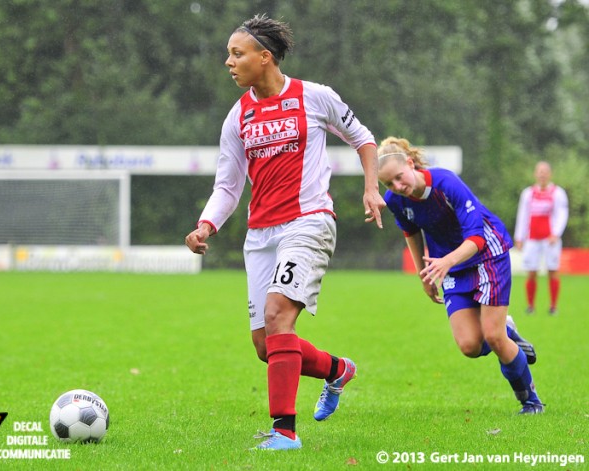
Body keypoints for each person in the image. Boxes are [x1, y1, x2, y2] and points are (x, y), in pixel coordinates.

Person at [184, 14, 385, 450]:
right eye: (229, 54)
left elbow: (364, 139)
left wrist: (372, 189)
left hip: (309, 222)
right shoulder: (237, 116)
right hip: (259, 236)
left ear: (265, 57)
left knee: (278, 317)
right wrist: (206, 224)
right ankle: (336, 370)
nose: (228, 62)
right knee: (266, 345)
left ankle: (284, 432)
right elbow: (228, 184)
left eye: (237, 54)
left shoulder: (315, 97)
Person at [377, 137, 544, 415]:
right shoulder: (395, 200)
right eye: (389, 184)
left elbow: (477, 238)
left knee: (493, 337)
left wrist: (444, 262)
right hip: (450, 263)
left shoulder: (445, 183)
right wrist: (425, 275)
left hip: (486, 255)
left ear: (410, 163)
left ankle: (530, 401)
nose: (397, 187)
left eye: (399, 177)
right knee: (469, 345)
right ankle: (509, 331)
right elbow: (411, 232)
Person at [514, 161, 569, 315]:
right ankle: (530, 306)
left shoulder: (558, 193)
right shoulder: (528, 193)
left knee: (553, 270)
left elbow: (562, 214)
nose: (542, 174)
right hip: (532, 238)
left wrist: (556, 234)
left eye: (545, 171)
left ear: (550, 174)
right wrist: (519, 237)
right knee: (531, 271)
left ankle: (553, 306)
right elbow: (523, 215)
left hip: (550, 239)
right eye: (539, 171)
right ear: (535, 174)